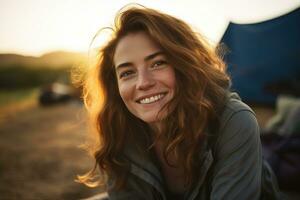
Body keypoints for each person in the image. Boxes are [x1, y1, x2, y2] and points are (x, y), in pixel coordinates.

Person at [77, 5, 283, 200]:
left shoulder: (234, 121)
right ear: (115, 86)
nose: (143, 83)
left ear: (186, 67)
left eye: (158, 63)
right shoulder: (120, 129)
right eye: (127, 73)